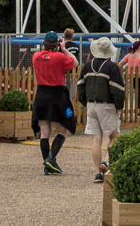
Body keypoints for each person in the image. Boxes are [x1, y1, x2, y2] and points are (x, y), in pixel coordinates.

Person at [78, 37, 126, 184]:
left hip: (91, 105)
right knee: (114, 136)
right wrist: (119, 106)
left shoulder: (87, 66)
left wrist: (85, 102)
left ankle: (97, 173)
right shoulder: (112, 67)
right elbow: (118, 90)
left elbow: (80, 88)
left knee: (96, 139)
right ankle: (106, 162)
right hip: (107, 105)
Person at [31, 31, 77, 176]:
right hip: (56, 95)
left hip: (41, 95)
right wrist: (64, 49)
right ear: (57, 44)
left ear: (44, 43)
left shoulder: (36, 56)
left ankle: (47, 164)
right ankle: (51, 159)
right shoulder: (59, 57)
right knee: (62, 130)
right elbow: (75, 63)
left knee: (44, 131)